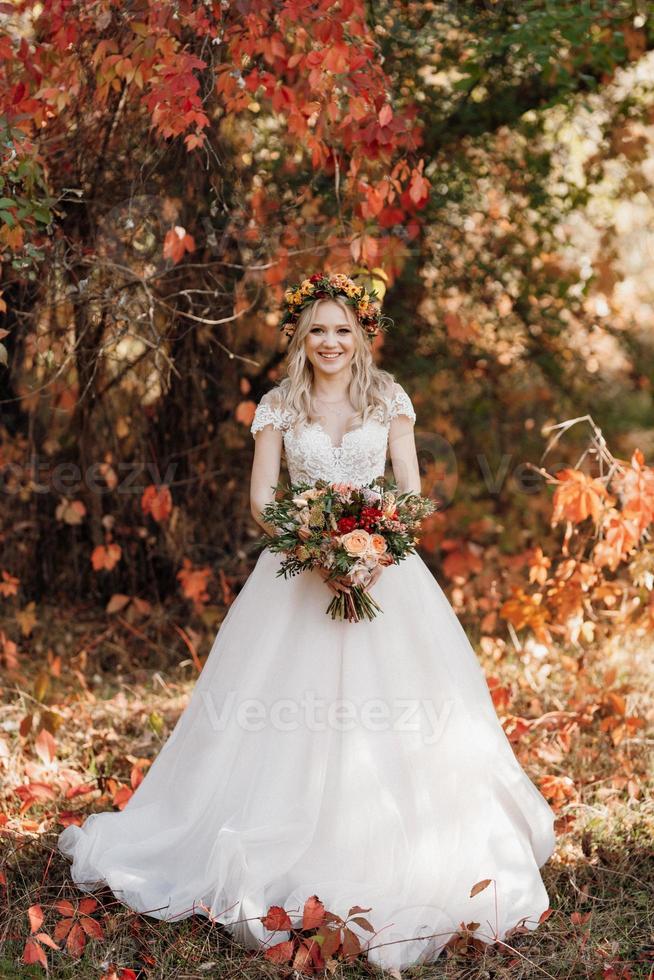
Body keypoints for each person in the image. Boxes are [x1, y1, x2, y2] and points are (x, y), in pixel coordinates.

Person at [58, 272, 556, 972]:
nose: (330, 341)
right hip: (298, 573)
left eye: (343, 329)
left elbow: (408, 491)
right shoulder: (278, 406)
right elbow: (264, 500)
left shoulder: (389, 399)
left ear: (363, 337)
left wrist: (376, 547)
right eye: (318, 329)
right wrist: (314, 547)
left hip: (387, 570)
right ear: (300, 335)